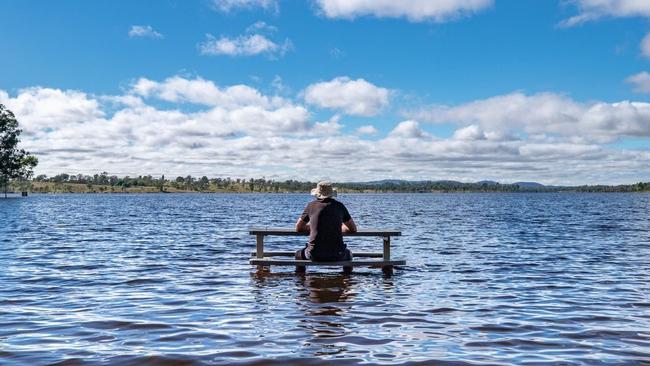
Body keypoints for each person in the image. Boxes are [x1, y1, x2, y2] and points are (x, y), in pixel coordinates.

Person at [295, 181, 357, 261]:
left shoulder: (311, 206)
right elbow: (353, 229)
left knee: (298, 254)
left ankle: (301, 273)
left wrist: (315, 227)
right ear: (331, 194)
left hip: (314, 254)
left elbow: (298, 227)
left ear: (317, 193)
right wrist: (337, 227)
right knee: (349, 254)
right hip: (337, 254)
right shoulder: (340, 206)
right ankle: (346, 274)